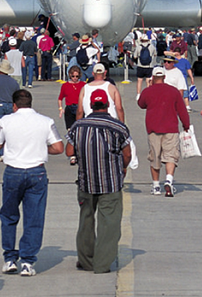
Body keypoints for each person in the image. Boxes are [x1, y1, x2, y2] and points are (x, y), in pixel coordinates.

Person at [0, 89, 64, 277]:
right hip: (36, 171)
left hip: (13, 171)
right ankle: (27, 261)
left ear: (14, 105)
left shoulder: (5, 121)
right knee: (34, 218)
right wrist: (41, 148)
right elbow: (58, 147)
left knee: (8, 216)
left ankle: (9, 258)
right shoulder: (46, 121)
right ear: (30, 103)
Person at [66, 89, 131, 273]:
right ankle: (102, 264)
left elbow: (69, 151)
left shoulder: (78, 126)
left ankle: (86, 261)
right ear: (108, 105)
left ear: (91, 105)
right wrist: (123, 168)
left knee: (86, 221)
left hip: (86, 182)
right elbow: (127, 154)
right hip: (110, 183)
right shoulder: (118, 127)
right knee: (109, 224)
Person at [137, 67, 190, 197]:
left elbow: (141, 104)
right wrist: (186, 125)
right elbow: (182, 110)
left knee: (155, 157)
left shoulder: (148, 91)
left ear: (153, 78)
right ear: (164, 77)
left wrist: (149, 86)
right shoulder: (173, 91)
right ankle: (169, 180)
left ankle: (156, 186)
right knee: (171, 156)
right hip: (171, 128)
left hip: (153, 128)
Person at [57, 66, 85, 133]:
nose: (75, 78)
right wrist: (60, 108)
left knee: (80, 128)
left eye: (77, 76)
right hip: (69, 108)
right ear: (70, 75)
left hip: (80, 108)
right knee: (70, 129)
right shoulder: (65, 85)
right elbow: (60, 98)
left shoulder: (83, 85)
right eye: (73, 76)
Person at [132, 34, 156, 99]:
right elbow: (155, 54)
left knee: (139, 80)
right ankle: (148, 94)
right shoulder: (152, 47)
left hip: (140, 66)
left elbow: (135, 56)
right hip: (149, 66)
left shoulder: (138, 47)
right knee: (148, 81)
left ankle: (138, 94)